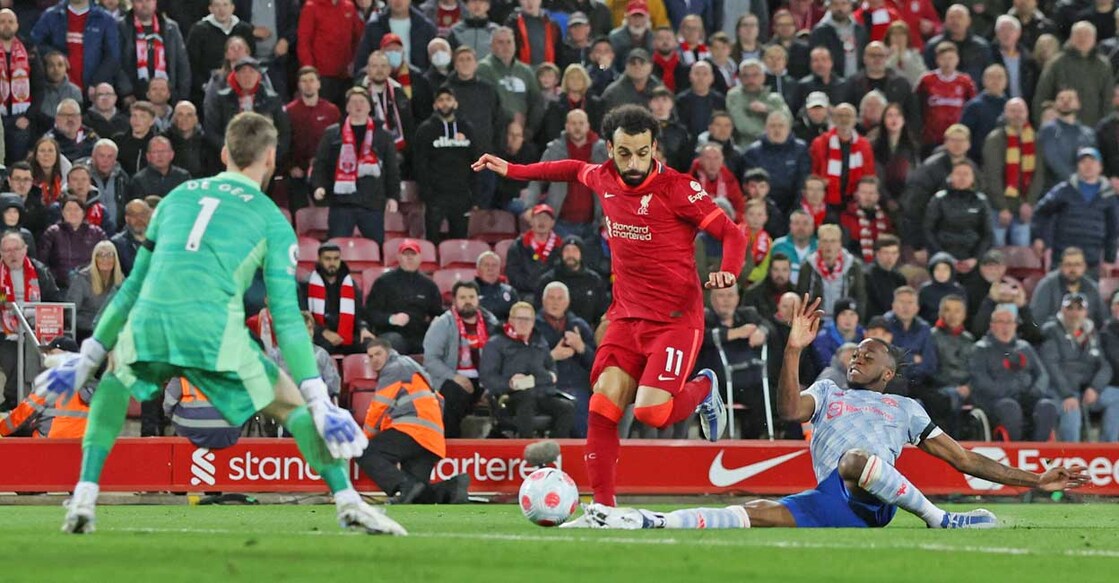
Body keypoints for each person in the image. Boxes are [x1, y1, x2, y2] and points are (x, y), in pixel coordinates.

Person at [35, 112, 405, 535]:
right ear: (270, 158)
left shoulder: (176, 197)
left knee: (117, 381)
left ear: (226, 153)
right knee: (291, 407)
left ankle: (84, 494)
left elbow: (133, 284)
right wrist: (318, 397)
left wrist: (89, 356)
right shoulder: (272, 220)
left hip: (151, 320)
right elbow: (285, 316)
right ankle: (347, 500)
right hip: (213, 328)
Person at [574, 296, 1088, 530]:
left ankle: (941, 519)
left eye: (871, 353)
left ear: (888, 373)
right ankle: (644, 521)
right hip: (831, 502)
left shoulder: (905, 408)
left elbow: (966, 461)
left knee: (855, 460)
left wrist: (1035, 480)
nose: (858, 354)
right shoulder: (826, 389)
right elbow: (788, 408)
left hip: (872, 498)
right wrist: (793, 350)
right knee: (746, 513)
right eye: (856, 349)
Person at [472, 104, 747, 508]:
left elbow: (732, 234)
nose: (633, 163)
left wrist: (729, 272)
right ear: (609, 149)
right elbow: (566, 169)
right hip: (626, 316)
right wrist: (513, 170)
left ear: (654, 148)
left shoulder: (679, 189)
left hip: (674, 321)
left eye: (641, 152)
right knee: (602, 404)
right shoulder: (602, 176)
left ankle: (704, 388)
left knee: (653, 413)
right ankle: (604, 507)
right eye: (623, 153)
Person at [357, 336, 468, 504]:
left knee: (364, 452)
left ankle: (403, 485)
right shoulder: (412, 368)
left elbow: (379, 407)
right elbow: (439, 399)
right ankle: (451, 487)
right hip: (430, 437)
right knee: (416, 496)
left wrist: (365, 438)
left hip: (412, 429)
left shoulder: (394, 368)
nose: (374, 359)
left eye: (378, 354)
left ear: (389, 352)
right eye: (370, 356)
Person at [312, 87, 401, 243]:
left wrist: (393, 196)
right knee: (335, 246)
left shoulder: (383, 135)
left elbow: (392, 169)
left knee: (376, 248)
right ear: (346, 107)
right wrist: (318, 185)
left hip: (372, 203)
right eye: (353, 102)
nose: (358, 106)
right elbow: (321, 164)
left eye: (362, 102)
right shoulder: (332, 133)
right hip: (341, 203)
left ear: (369, 107)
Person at [480, 301, 573, 437]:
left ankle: (554, 451)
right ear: (511, 320)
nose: (524, 323)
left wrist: (551, 375)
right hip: (510, 396)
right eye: (519, 319)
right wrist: (509, 384)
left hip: (541, 392)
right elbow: (487, 377)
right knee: (526, 399)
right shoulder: (496, 343)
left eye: (528, 319)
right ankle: (526, 448)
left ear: (533, 321)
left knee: (567, 408)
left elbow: (550, 366)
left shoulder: (539, 341)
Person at [970, 302, 1058, 441]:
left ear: (1015, 325)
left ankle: (1039, 451)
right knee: (1010, 407)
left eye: (1009, 322)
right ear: (992, 325)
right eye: (1001, 322)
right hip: (996, 401)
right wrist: (1009, 391)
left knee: (1047, 406)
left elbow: (1042, 374)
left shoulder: (1025, 347)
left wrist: (1035, 391)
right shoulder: (981, 349)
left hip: (1027, 397)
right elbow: (981, 381)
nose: (1006, 326)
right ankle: (1014, 452)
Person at [423, 280, 499, 437]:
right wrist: (455, 377)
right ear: (455, 301)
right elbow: (430, 360)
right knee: (454, 395)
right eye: (463, 297)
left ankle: (497, 445)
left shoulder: (491, 323)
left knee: (504, 395)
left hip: (485, 379)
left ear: (478, 299)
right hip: (451, 378)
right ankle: (453, 446)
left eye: (471, 297)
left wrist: (490, 385)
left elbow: (500, 356)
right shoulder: (443, 324)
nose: (467, 301)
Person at [1040, 292, 1115, 442]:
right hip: (1059, 391)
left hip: (1086, 390)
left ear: (1085, 312)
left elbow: (1105, 366)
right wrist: (1067, 394)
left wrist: (1095, 388)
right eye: (1070, 308)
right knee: (1071, 408)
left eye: (1079, 309)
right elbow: (1051, 365)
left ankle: (1110, 449)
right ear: (1062, 310)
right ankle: (1070, 455)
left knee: (1116, 397)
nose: (1074, 313)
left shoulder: (1091, 332)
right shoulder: (1051, 330)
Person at [1032, 148, 1119, 276]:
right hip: (1062, 259)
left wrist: (1109, 259)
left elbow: (1113, 230)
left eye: (1092, 161)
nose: (1088, 165)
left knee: (1088, 296)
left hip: (1091, 261)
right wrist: (1038, 237)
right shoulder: (1064, 190)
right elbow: (1041, 212)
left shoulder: (1109, 196)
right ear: (1077, 166)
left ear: (1100, 167)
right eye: (1083, 161)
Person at [0, 232, 61, 411]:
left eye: (16, 249)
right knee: (12, 359)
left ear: (25, 249)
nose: (12, 254)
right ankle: (13, 400)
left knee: (37, 357)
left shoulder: (39, 270)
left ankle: (37, 402)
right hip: (5, 331)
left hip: (37, 329)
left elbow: (54, 299)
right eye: (7, 250)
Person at [413, 86, 479, 243]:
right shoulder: (425, 130)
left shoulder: (467, 129)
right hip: (435, 197)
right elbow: (419, 164)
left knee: (459, 242)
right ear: (435, 105)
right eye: (441, 100)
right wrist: (426, 193)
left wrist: (474, 195)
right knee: (432, 241)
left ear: (455, 103)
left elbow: (475, 162)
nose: (445, 103)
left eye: (448, 99)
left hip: (461, 195)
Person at [0, 335, 92, 437]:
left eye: (51, 353)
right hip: (83, 445)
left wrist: (1, 429)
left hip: (50, 445)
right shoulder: (91, 383)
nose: (47, 357)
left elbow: (23, 413)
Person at [204, 57, 291, 163]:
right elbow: (211, 130)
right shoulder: (222, 99)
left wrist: (269, 156)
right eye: (243, 72)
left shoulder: (272, 100)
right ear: (235, 76)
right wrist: (231, 150)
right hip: (230, 157)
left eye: (251, 72)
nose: (247, 76)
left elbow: (284, 132)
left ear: (258, 76)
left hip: (263, 158)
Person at [365, 239, 444, 355]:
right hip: (390, 332)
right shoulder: (383, 282)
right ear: (398, 257)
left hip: (419, 334)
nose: (410, 257)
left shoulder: (429, 285)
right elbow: (370, 313)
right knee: (395, 341)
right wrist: (391, 319)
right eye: (405, 254)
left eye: (413, 254)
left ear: (420, 257)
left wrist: (439, 321)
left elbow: (437, 313)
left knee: (438, 342)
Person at [1033, 21, 1114, 128]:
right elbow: (1042, 96)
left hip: (1093, 130)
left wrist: (1106, 129)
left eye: (1087, 35)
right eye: (1078, 34)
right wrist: (1043, 124)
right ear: (1071, 38)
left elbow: (1108, 101)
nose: (1082, 38)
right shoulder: (1056, 63)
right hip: (1060, 130)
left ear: (1094, 39)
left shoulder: (1103, 65)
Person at [982, 98, 1040, 247]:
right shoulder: (995, 139)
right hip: (999, 208)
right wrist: (1002, 207)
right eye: (1013, 111)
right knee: (997, 252)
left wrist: (1029, 203)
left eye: (1021, 111)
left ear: (1027, 114)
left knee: (1021, 253)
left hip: (1024, 208)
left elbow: (1039, 175)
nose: (1017, 115)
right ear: (1005, 114)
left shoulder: (1035, 139)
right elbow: (992, 176)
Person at [30, 0, 120, 95]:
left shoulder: (105, 19)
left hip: (92, 92)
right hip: (57, 90)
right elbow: (34, 44)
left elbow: (113, 57)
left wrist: (96, 83)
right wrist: (53, 54)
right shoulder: (51, 16)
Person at [301, 242, 375, 355]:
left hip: (347, 333)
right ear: (319, 259)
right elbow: (303, 316)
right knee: (322, 349)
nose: (332, 263)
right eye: (327, 259)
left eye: (336, 259)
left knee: (370, 345)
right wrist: (323, 332)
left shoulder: (350, 284)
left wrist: (363, 328)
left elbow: (359, 313)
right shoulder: (306, 284)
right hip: (320, 334)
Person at [116, 0, 190, 103]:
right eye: (139, 1)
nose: (144, 4)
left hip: (167, 95)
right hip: (134, 95)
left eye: (148, 0)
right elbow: (117, 63)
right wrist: (126, 92)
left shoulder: (171, 28)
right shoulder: (121, 27)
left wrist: (182, 96)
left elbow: (182, 63)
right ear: (132, 3)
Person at [923, 161, 993, 270]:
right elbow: (928, 230)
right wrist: (943, 257)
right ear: (950, 176)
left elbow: (988, 234)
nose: (962, 178)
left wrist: (975, 258)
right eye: (958, 173)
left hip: (972, 256)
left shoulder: (981, 201)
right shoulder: (939, 199)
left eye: (966, 174)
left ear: (973, 178)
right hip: (943, 256)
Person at [296, 0, 366, 106]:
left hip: (345, 76)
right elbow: (303, 42)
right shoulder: (311, 7)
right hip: (322, 77)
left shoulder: (349, 6)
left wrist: (353, 62)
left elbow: (359, 37)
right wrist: (310, 73)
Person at [185, 0, 255, 106]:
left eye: (225, 5)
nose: (221, 9)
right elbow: (192, 64)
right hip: (206, 92)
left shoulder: (245, 29)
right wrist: (205, 87)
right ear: (210, 9)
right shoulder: (199, 30)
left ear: (232, 7)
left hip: (242, 91)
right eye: (217, 5)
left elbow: (252, 58)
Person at [809, 103, 874, 215]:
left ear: (855, 120)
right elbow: (813, 172)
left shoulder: (864, 145)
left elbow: (869, 174)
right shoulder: (820, 143)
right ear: (833, 119)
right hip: (827, 199)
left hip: (854, 199)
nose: (844, 119)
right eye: (840, 115)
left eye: (848, 115)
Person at [914, 41, 976, 154]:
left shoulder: (965, 81)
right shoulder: (927, 80)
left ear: (957, 59)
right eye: (943, 58)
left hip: (957, 138)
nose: (947, 62)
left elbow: (972, 107)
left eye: (951, 58)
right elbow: (916, 105)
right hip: (932, 138)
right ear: (937, 60)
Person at [743, 111, 809, 214]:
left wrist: (795, 208)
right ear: (766, 128)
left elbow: (802, 182)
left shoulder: (800, 149)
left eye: (781, 126)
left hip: (792, 204)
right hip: (762, 207)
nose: (777, 130)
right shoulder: (753, 152)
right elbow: (750, 186)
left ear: (788, 128)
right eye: (772, 126)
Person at [795, 223, 866, 318]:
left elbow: (860, 297)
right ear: (819, 243)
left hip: (844, 320)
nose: (829, 246)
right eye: (825, 241)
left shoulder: (853, 266)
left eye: (833, 241)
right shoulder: (808, 266)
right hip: (816, 320)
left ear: (840, 244)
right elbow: (802, 295)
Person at [535, 236, 609, 325]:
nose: (570, 254)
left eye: (575, 250)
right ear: (561, 253)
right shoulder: (548, 280)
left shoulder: (594, 280)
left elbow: (602, 311)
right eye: (567, 250)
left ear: (581, 254)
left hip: (588, 332)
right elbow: (539, 310)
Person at [0, 9, 42, 166]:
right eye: (2, 21)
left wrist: (28, 117)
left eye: (10, 21)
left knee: (17, 164)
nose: (6, 25)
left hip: (21, 118)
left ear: (17, 25)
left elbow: (39, 87)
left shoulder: (29, 49)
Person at [37, 195, 107, 290]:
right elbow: (42, 263)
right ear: (62, 213)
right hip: (59, 287)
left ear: (83, 213)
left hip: (90, 287)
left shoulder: (97, 233)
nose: (72, 213)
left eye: (76, 209)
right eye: (68, 209)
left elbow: (106, 258)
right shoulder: (52, 232)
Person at [1037, 89, 1098, 191]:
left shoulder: (1089, 133)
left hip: (1085, 191)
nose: (1065, 101)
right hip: (1057, 191)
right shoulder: (1047, 131)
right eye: (1061, 99)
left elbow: (1094, 162)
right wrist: (1077, 182)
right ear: (1056, 104)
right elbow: (1054, 160)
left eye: (1070, 98)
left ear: (1078, 104)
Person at [355, 0, 438, 73]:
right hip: (382, 83)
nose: (398, 1)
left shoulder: (425, 26)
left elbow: (433, 67)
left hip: (417, 84)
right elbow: (361, 64)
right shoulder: (374, 26)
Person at [1031, 247, 1107, 327]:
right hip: (1053, 335)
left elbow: (1103, 320)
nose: (1073, 269)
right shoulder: (1047, 285)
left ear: (1084, 267)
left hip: (1085, 335)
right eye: (1068, 265)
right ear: (1061, 266)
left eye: (1077, 265)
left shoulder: (1092, 287)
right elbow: (1036, 320)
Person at [884, 286, 937, 395]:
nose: (905, 307)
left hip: (916, 382)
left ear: (917, 307)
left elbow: (929, 364)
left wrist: (907, 371)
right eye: (901, 302)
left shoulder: (924, 328)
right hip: (889, 383)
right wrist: (913, 358)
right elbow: (886, 358)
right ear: (893, 306)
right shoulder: (884, 325)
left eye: (910, 302)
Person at [726, 59, 790, 148]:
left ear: (763, 77)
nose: (750, 79)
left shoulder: (774, 98)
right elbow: (741, 125)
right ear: (740, 77)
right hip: (746, 146)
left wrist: (767, 109)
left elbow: (787, 121)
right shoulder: (734, 96)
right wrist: (770, 135)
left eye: (755, 75)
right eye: (745, 75)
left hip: (777, 144)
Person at [65, 240, 121, 340]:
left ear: (115, 258)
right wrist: (96, 325)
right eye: (100, 255)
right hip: (86, 333)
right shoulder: (81, 279)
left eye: (109, 255)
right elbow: (71, 313)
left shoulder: (121, 281)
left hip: (112, 332)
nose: (105, 259)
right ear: (95, 258)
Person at [921, 4, 991, 84]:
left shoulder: (981, 47)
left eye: (959, 17)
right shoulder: (933, 46)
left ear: (968, 21)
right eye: (951, 17)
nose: (955, 21)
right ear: (945, 21)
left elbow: (989, 74)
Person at [839, 176, 894, 264]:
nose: (867, 197)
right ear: (856, 195)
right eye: (864, 192)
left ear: (878, 196)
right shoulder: (846, 217)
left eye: (871, 193)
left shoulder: (886, 219)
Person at [809, 0, 868, 79]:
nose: (840, 8)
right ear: (829, 6)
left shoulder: (859, 29)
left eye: (844, 3)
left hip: (857, 82)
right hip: (831, 83)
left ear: (851, 6)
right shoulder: (820, 31)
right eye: (835, 4)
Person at [812, 297, 864, 372]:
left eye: (852, 314)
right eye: (843, 314)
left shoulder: (865, 335)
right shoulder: (823, 338)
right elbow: (826, 365)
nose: (848, 319)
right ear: (836, 317)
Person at [917, 252, 966, 326]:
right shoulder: (925, 290)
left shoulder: (959, 291)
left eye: (945, 269)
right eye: (937, 269)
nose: (941, 273)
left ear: (951, 271)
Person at [770, 208, 817, 286]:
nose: (801, 228)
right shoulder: (778, 246)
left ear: (812, 227)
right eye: (796, 223)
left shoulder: (819, 247)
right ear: (790, 226)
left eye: (805, 223)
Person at [742, 252, 794, 317]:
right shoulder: (752, 294)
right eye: (776, 269)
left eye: (784, 270)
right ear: (769, 271)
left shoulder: (797, 293)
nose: (780, 274)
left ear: (790, 272)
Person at [6, 162, 49, 237]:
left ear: (32, 182)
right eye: (17, 179)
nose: (22, 184)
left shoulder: (40, 209)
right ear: (9, 181)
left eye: (26, 179)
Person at [110, 199, 149, 276]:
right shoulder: (117, 244)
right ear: (127, 218)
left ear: (149, 216)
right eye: (134, 215)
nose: (139, 219)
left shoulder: (160, 241)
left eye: (142, 214)